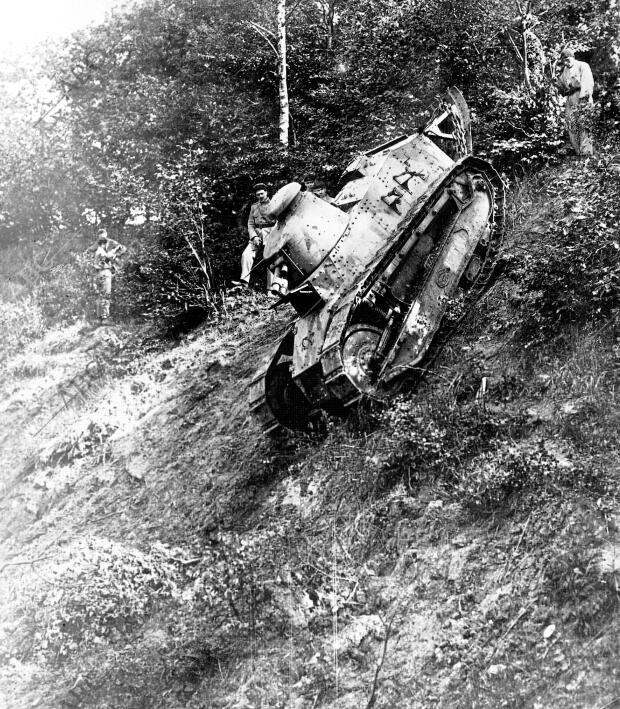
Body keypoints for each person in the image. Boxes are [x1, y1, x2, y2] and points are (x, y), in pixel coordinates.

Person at [556, 48, 594, 157]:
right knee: (571, 125)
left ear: (573, 58)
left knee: (584, 125)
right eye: (563, 60)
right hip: (570, 99)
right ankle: (578, 152)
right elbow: (563, 87)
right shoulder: (565, 70)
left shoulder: (583, 66)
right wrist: (557, 85)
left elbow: (587, 82)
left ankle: (586, 153)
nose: (565, 62)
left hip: (582, 98)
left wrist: (584, 100)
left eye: (567, 59)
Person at [240, 183, 276, 288]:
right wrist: (254, 236)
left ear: (266, 192)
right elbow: (250, 224)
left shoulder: (274, 204)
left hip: (271, 234)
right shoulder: (254, 207)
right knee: (246, 254)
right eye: (258, 195)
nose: (260, 196)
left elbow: (279, 221)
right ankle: (244, 282)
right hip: (258, 235)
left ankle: (272, 289)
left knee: (271, 260)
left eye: (261, 194)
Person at [92, 229, 126, 321]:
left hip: (108, 269)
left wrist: (116, 255)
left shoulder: (111, 242)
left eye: (103, 237)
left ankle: (102, 316)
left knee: (104, 293)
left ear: (106, 235)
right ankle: (103, 316)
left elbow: (123, 248)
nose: (102, 238)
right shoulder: (98, 245)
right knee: (105, 293)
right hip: (103, 270)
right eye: (100, 237)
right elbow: (91, 251)